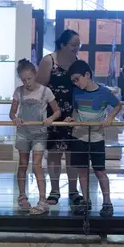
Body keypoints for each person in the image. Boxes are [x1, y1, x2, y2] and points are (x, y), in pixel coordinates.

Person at [65, 60, 122, 218]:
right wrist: (72, 119)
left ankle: (107, 202)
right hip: (79, 136)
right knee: (82, 171)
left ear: (87, 75)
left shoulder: (103, 92)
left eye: (77, 79)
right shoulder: (77, 92)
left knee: (100, 171)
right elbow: (76, 110)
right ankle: (86, 201)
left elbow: (117, 105)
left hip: (97, 137)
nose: (76, 83)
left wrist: (110, 117)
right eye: (73, 81)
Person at [36, 29, 82, 205]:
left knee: (72, 154)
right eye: (73, 45)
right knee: (54, 153)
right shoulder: (49, 61)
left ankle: (73, 190)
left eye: (78, 45)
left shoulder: (78, 63)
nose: (76, 48)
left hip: (73, 115)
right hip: (53, 114)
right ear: (62, 44)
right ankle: (54, 191)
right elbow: (40, 89)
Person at [10, 59, 61, 215]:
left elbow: (57, 111)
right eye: (23, 80)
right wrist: (15, 118)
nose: (27, 83)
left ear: (35, 74)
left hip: (39, 133)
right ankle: (22, 195)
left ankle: (42, 200)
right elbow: (12, 112)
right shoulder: (18, 92)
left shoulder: (46, 92)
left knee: (37, 165)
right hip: (23, 133)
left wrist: (51, 119)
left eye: (29, 79)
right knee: (23, 164)